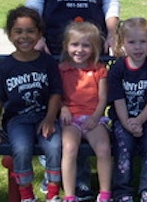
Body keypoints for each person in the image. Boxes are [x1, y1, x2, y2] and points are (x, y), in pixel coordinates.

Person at [21, 0, 121, 200]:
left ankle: (81, 182)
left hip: (91, 46)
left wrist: (113, 34)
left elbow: (111, 1)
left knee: (87, 101)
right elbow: (35, 1)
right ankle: (59, 176)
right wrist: (36, 36)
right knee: (60, 104)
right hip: (53, 44)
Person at [0, 6, 63, 202]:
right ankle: (26, 195)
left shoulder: (48, 62)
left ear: (39, 34)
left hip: (45, 116)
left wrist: (51, 119)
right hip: (17, 120)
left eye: (30, 31)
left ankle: (52, 194)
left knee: (54, 146)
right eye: (18, 31)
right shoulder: (5, 66)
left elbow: (55, 93)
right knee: (22, 148)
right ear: (9, 35)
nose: (24, 36)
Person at [108, 18, 147, 202]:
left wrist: (139, 121)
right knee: (123, 147)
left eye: (143, 42)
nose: (137, 47)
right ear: (122, 43)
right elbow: (118, 99)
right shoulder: (117, 69)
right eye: (132, 42)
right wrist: (127, 123)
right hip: (122, 118)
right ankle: (123, 191)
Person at [58, 21, 113, 202]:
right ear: (66, 46)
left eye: (85, 45)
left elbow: (103, 98)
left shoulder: (99, 70)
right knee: (69, 148)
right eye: (74, 44)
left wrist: (96, 117)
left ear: (94, 48)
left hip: (93, 117)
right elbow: (55, 95)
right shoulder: (61, 70)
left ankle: (104, 194)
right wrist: (63, 108)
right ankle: (70, 195)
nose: (79, 50)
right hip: (71, 119)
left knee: (104, 148)